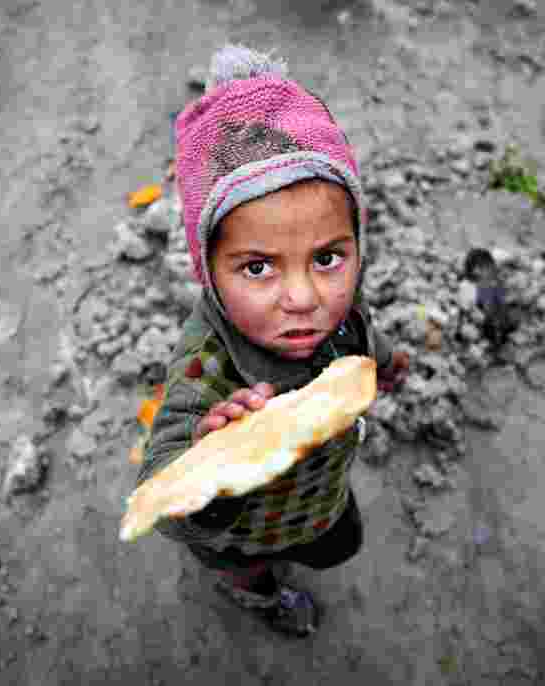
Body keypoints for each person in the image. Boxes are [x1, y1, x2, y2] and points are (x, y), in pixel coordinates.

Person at [132, 43, 410, 638]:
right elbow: (161, 492)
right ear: (208, 268)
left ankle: (303, 551)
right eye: (258, 268)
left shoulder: (344, 307)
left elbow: (363, 334)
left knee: (337, 542)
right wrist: (211, 467)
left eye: (329, 257)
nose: (305, 298)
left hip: (320, 496)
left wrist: (385, 366)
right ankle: (259, 596)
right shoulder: (208, 367)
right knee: (247, 569)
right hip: (243, 530)